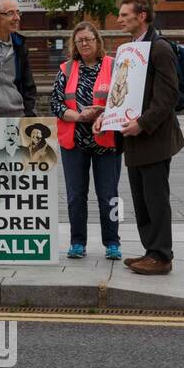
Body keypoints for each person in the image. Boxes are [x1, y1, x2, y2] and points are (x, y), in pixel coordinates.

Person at [101, 0, 184, 275]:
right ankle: (151, 250)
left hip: (154, 138)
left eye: (125, 15)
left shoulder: (159, 48)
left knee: (156, 199)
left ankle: (162, 255)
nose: (119, 19)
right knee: (141, 199)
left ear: (142, 16)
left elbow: (168, 95)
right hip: (134, 138)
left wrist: (143, 123)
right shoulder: (129, 48)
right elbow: (122, 93)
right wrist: (107, 116)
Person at [51, 21, 121, 260]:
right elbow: (56, 104)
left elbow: (123, 100)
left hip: (107, 141)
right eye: (80, 40)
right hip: (74, 142)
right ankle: (77, 242)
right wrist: (80, 116)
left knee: (110, 195)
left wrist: (101, 113)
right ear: (75, 44)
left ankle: (113, 242)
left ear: (97, 41)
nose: (84, 44)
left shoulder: (113, 66)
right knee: (75, 195)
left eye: (88, 39)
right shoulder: (66, 68)